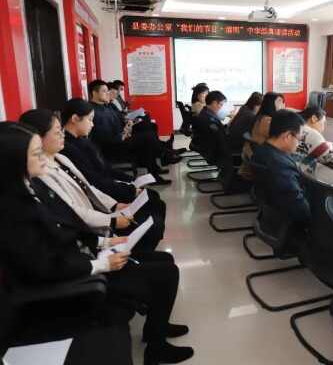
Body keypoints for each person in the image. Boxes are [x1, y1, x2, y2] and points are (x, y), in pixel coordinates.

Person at [0, 121, 194, 365]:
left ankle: (156, 333)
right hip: (73, 280)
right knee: (165, 273)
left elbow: (67, 226)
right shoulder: (13, 211)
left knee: (164, 264)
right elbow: (46, 265)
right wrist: (100, 264)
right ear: (14, 160)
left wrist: (103, 243)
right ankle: (156, 345)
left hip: (83, 258)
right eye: (35, 153)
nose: (43, 159)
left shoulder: (29, 190)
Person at [19, 109, 164, 252]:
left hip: (100, 213)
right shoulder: (41, 174)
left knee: (153, 215)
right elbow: (72, 211)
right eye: (57, 132)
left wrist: (114, 205)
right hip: (92, 227)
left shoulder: (61, 157)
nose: (62, 135)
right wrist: (112, 220)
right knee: (153, 222)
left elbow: (87, 186)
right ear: (37, 139)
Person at [253, 109, 333, 235]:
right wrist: (321, 208)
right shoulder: (281, 166)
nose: (298, 144)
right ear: (288, 136)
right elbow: (301, 210)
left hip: (277, 213)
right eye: (299, 139)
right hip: (306, 215)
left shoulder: (261, 151)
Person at [60, 99, 168, 214]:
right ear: (75, 118)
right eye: (90, 120)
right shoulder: (69, 149)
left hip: (107, 185)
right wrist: (130, 190)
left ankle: (165, 152)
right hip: (101, 195)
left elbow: (105, 169)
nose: (92, 124)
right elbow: (95, 182)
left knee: (152, 197)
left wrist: (131, 180)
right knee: (154, 200)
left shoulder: (81, 140)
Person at [87, 79, 179, 185]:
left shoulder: (105, 106)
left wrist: (127, 127)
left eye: (107, 91)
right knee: (147, 137)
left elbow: (118, 121)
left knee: (149, 127)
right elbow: (104, 137)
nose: (108, 93)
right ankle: (163, 156)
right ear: (94, 93)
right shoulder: (95, 112)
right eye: (104, 91)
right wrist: (124, 134)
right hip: (114, 146)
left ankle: (159, 162)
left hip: (120, 137)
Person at [190, 91, 230, 166]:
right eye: (221, 105)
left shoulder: (205, 112)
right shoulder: (209, 120)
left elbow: (218, 130)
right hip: (211, 153)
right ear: (214, 103)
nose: (221, 107)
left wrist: (228, 125)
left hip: (204, 147)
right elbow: (221, 137)